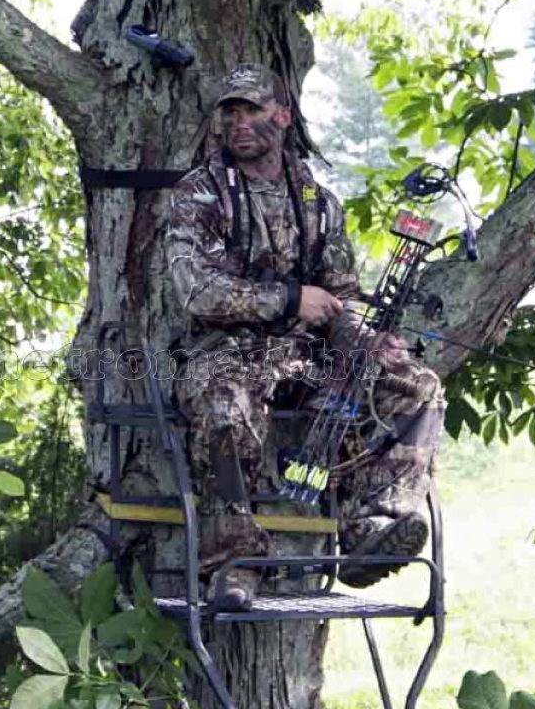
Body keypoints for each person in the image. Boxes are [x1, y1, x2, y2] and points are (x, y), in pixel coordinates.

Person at [166, 64, 445, 612]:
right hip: (222, 355)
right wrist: (292, 299)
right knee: (224, 404)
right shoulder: (199, 193)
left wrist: (365, 338)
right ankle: (232, 564)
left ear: (282, 116)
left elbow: (343, 294)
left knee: (417, 385)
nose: (239, 122)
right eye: (230, 112)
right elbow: (196, 291)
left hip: (306, 358)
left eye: (252, 109)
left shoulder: (318, 199)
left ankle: (373, 526)